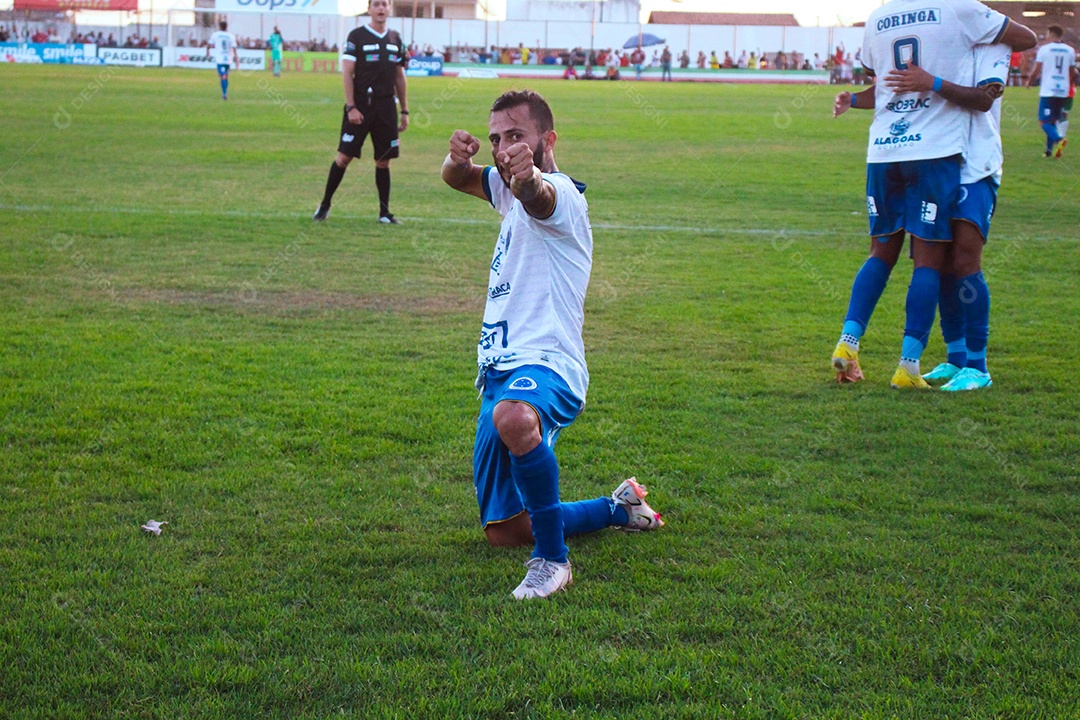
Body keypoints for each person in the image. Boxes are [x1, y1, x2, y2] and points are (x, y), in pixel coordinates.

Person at [440, 90, 664, 600]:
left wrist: (527, 179)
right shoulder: (503, 185)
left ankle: (552, 563)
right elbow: (458, 179)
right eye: (496, 138)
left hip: (550, 362)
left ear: (548, 139)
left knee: (516, 418)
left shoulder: (564, 195)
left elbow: (539, 196)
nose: (503, 148)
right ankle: (617, 508)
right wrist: (457, 159)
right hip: (499, 367)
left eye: (516, 136)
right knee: (505, 531)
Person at [829, 0, 1035, 389]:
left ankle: (978, 366)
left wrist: (934, 82)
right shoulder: (942, 25)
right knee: (937, 260)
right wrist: (856, 98)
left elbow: (985, 98)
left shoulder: (991, 43)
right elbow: (892, 85)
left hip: (975, 162)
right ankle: (954, 358)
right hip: (936, 154)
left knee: (964, 259)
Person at [313, 0, 409, 224]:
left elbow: (399, 76)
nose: (381, 8)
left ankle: (384, 213)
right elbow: (347, 73)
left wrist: (404, 110)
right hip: (361, 106)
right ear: (369, 9)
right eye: (376, 4)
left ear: (389, 9)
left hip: (387, 107)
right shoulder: (356, 36)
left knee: (384, 160)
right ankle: (325, 205)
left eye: (384, 4)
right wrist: (351, 107)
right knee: (344, 157)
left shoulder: (396, 39)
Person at [1026, 26, 1079, 158]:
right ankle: (1048, 151)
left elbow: (1037, 69)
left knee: (1044, 122)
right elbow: (1072, 71)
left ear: (1050, 34)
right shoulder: (1070, 50)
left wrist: (1030, 81)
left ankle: (1059, 140)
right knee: (1053, 121)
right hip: (1063, 90)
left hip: (1048, 90)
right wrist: (1066, 83)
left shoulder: (1044, 49)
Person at [206, 20, 239, 101]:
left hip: (220, 59)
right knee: (225, 76)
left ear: (220, 26)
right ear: (226, 27)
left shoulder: (215, 35)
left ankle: (224, 94)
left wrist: (207, 52)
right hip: (228, 59)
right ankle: (225, 92)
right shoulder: (231, 36)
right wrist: (236, 57)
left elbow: (209, 44)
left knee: (223, 76)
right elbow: (234, 47)